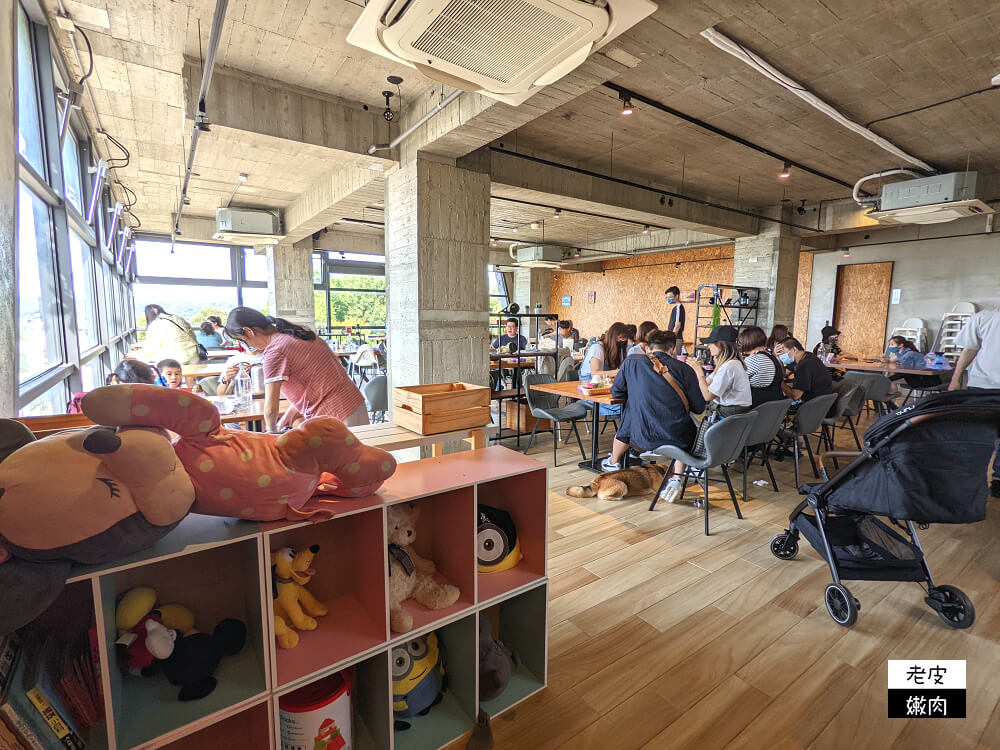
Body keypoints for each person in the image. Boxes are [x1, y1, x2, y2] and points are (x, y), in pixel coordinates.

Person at [601, 330, 706, 503]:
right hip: (675, 437)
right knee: (687, 426)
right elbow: (699, 407)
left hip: (639, 435)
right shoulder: (685, 369)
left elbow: (617, 391)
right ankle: (676, 478)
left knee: (631, 411)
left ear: (648, 348)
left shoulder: (631, 362)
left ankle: (614, 461)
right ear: (672, 349)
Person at [225, 307, 368, 431]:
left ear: (248, 331)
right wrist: (288, 417)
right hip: (354, 405)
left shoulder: (275, 350)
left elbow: (270, 410)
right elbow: (315, 385)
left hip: (336, 417)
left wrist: (272, 433)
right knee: (360, 460)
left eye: (242, 340)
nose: (247, 345)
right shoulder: (298, 334)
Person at [949, 308, 1000, 496]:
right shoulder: (984, 317)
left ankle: (996, 481)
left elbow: (969, 349)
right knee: (978, 436)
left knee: (980, 436)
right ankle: (970, 479)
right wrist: (956, 378)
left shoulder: (984, 317)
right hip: (982, 386)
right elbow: (969, 349)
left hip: (981, 387)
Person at [688, 326, 751, 416]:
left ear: (721, 345)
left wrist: (699, 372)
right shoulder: (732, 363)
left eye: (711, 343)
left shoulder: (729, 366)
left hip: (730, 411)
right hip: (736, 410)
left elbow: (707, 396)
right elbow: (707, 382)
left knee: (693, 411)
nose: (709, 347)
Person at [738, 325, 784, 406]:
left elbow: (736, 380)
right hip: (774, 405)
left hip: (758, 408)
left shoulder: (754, 359)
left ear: (747, 342)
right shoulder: (771, 356)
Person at [779, 337, 834, 403]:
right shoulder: (807, 356)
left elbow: (795, 396)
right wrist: (777, 359)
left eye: (783, 352)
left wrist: (780, 382)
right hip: (823, 402)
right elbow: (786, 372)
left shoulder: (805, 365)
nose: (781, 356)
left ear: (794, 349)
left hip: (814, 405)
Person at [665, 286, 686, 350]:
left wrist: (671, 339)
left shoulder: (678, 308)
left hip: (676, 339)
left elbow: (677, 326)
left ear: (677, 296)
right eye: (667, 297)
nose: (668, 299)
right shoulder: (675, 308)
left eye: (670, 297)